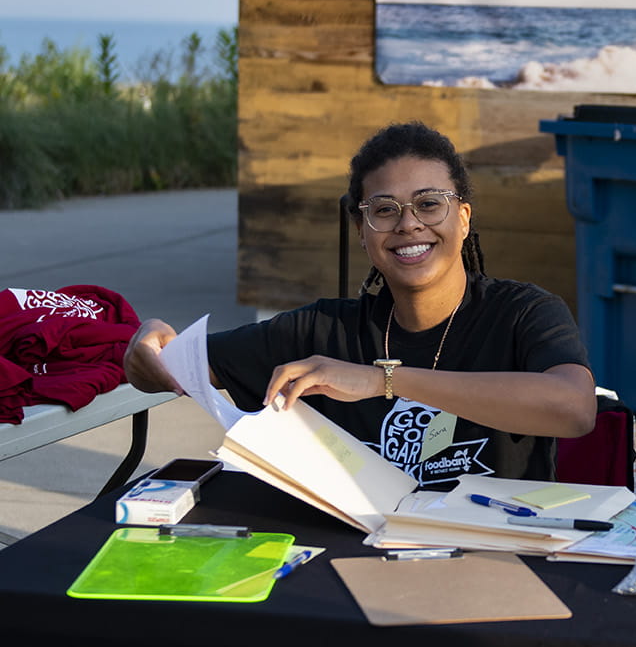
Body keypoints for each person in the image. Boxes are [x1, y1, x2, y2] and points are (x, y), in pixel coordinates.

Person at [124, 121, 596, 486]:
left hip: (497, 558)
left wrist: (379, 380)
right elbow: (162, 368)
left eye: (430, 204)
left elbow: (575, 409)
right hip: (356, 560)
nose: (409, 224)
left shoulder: (522, 312)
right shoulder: (320, 332)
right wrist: (147, 346)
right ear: (362, 232)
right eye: (384, 210)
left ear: (464, 218)